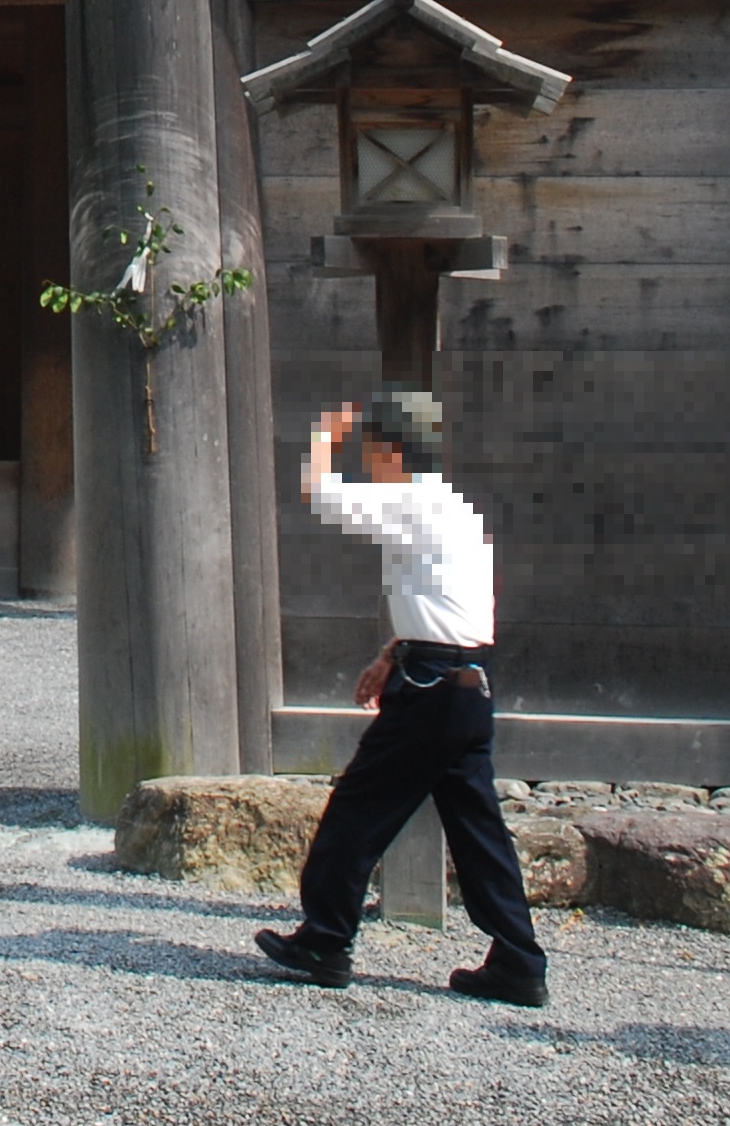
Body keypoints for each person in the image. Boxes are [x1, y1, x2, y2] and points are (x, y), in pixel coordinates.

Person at [253, 389, 547, 1006]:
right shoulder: (458, 509)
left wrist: (326, 432)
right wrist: (392, 655)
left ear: (391, 451)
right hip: (468, 685)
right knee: (477, 830)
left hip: (431, 691)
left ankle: (325, 938)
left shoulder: (409, 499)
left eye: (370, 451)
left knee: (359, 808)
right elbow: (448, 608)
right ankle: (518, 959)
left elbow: (318, 492)